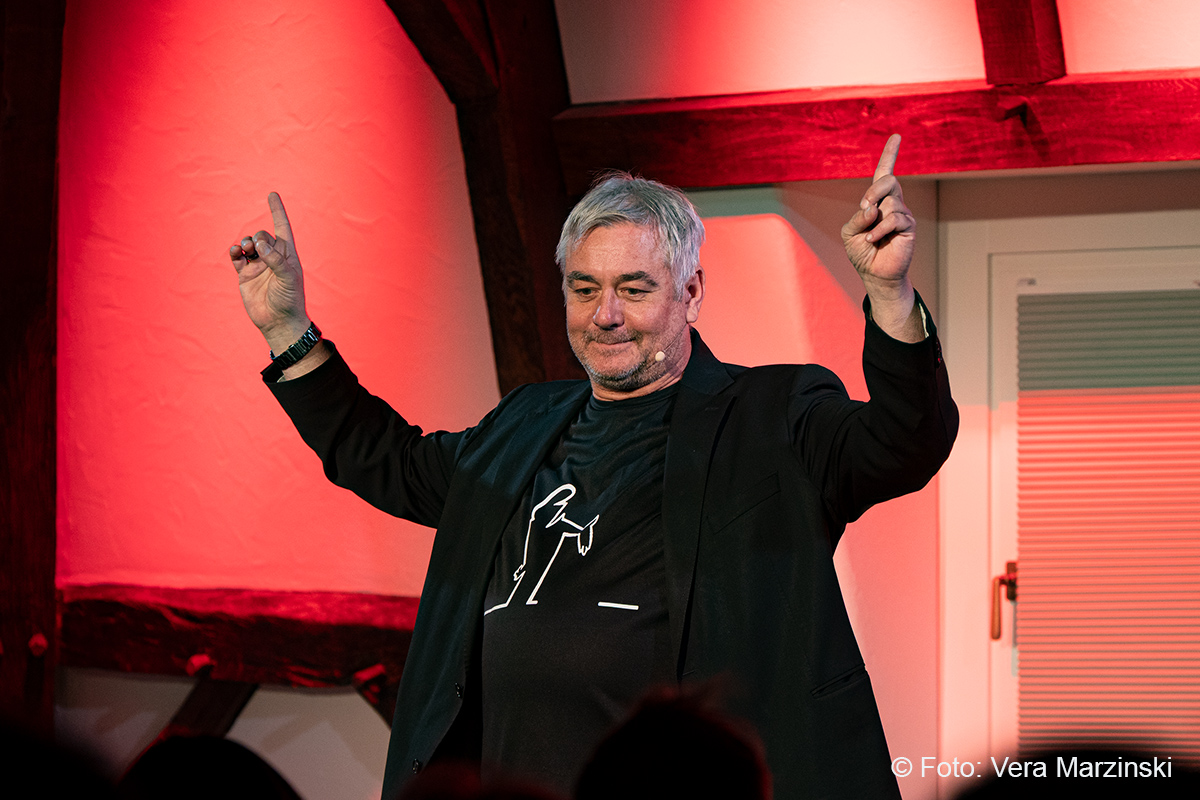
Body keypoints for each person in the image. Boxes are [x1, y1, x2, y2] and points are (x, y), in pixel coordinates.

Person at [228, 134, 957, 800]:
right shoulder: (524, 421)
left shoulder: (775, 415)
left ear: (690, 293)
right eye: (584, 289)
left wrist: (889, 295)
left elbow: (904, 443)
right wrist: (288, 331)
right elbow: (388, 461)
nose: (605, 314)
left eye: (634, 289)